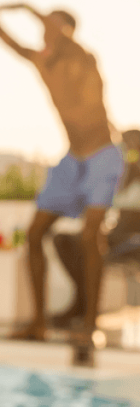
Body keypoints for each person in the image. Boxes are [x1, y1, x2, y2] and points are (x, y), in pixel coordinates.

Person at [0, 0, 124, 341]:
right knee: (33, 235)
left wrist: (26, 7)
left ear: (68, 32)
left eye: (53, 26)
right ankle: (38, 323)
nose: (45, 32)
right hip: (72, 160)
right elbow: (3, 36)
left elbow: (58, 32)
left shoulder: (84, 58)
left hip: (103, 154)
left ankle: (90, 325)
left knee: (92, 235)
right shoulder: (42, 62)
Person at [51, 129, 140, 328]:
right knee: (64, 240)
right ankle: (82, 301)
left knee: (93, 244)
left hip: (134, 238)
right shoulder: (122, 173)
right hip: (116, 233)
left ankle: (85, 309)